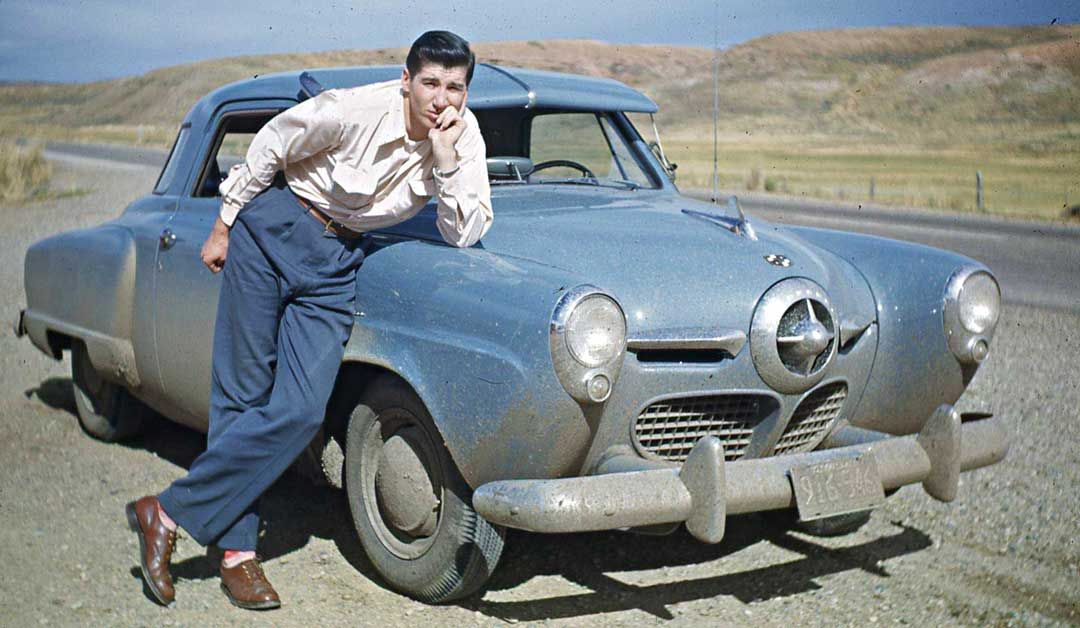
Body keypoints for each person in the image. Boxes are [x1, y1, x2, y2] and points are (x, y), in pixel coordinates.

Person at [125, 30, 492, 610]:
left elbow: (465, 231)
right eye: (430, 84)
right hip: (276, 224)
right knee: (242, 394)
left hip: (337, 258)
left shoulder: (461, 137)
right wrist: (224, 224)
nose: (442, 99)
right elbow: (273, 141)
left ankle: (166, 511)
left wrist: (445, 163)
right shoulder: (353, 110)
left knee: (300, 411)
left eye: (455, 87)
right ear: (407, 80)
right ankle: (239, 555)